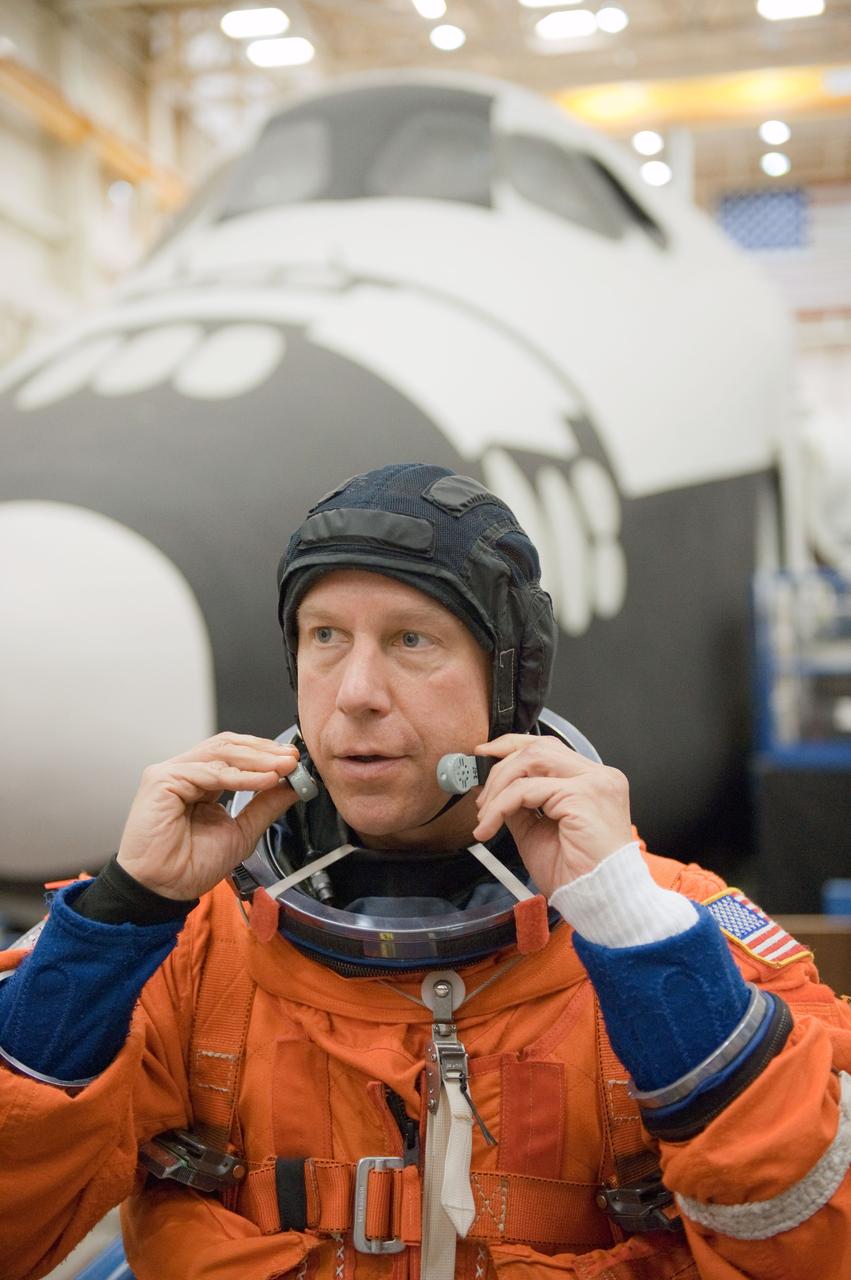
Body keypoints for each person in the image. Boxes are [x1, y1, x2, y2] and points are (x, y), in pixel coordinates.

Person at [1, 462, 849, 1280]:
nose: (356, 692)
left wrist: (635, 936)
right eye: (325, 636)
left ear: (508, 679)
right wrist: (119, 917)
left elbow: (818, 1246)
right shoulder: (185, 943)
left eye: (411, 639)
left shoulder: (677, 929)